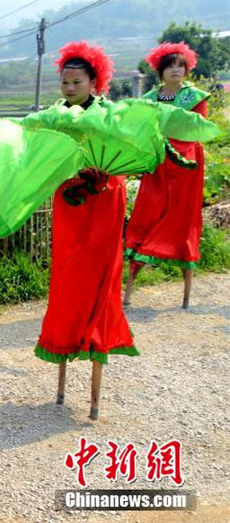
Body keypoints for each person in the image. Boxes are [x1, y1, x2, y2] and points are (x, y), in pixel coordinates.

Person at [34, 42, 139, 420]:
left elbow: (123, 159)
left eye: (76, 82)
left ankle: (97, 349)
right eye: (65, 82)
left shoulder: (110, 116)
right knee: (68, 278)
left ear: (95, 82)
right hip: (70, 204)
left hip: (105, 202)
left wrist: (101, 178)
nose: (69, 88)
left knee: (101, 279)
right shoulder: (55, 117)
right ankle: (63, 345)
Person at [124, 42, 210, 308]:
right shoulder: (150, 99)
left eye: (180, 66)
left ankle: (185, 288)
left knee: (182, 217)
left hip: (185, 166)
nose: (175, 70)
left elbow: (198, 130)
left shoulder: (195, 97)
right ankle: (131, 283)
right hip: (157, 163)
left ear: (187, 69)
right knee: (148, 212)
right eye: (169, 66)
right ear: (160, 71)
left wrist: (173, 145)